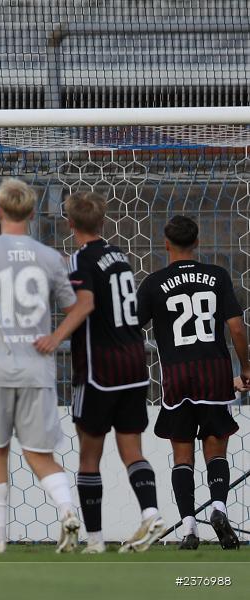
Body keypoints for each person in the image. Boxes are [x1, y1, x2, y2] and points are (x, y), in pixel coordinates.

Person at [0, 178, 81, 554]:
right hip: (37, 368)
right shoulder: (50, 257)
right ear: (32, 212)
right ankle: (67, 510)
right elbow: (75, 309)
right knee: (40, 454)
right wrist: (56, 338)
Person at [35, 191, 162, 554]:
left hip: (98, 370)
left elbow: (86, 304)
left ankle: (94, 541)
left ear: (69, 222)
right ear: (103, 221)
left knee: (89, 456)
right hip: (135, 364)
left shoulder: (80, 259)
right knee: (132, 450)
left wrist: (55, 337)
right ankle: (151, 514)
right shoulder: (118, 255)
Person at [136, 215, 250, 550]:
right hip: (214, 370)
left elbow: (132, 332)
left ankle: (189, 528)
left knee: (181, 453)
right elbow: (237, 329)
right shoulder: (217, 276)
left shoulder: (154, 283)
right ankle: (218, 507)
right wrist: (245, 368)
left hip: (176, 373)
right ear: (197, 242)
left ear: (166, 243)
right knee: (216, 448)